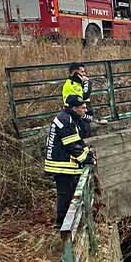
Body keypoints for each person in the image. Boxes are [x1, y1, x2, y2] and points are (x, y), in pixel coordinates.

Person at [44, 95, 93, 231]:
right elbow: (72, 145)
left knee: (70, 193)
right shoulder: (65, 120)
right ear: (74, 108)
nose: (85, 110)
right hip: (60, 164)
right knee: (65, 194)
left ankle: (68, 223)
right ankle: (62, 225)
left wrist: (87, 154)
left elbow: (78, 141)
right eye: (82, 108)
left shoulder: (70, 118)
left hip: (63, 161)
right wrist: (87, 159)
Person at [61, 62, 94, 131]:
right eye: (82, 72)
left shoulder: (78, 83)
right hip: (76, 116)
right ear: (75, 73)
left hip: (83, 115)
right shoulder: (71, 84)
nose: (84, 74)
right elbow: (85, 95)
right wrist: (87, 82)